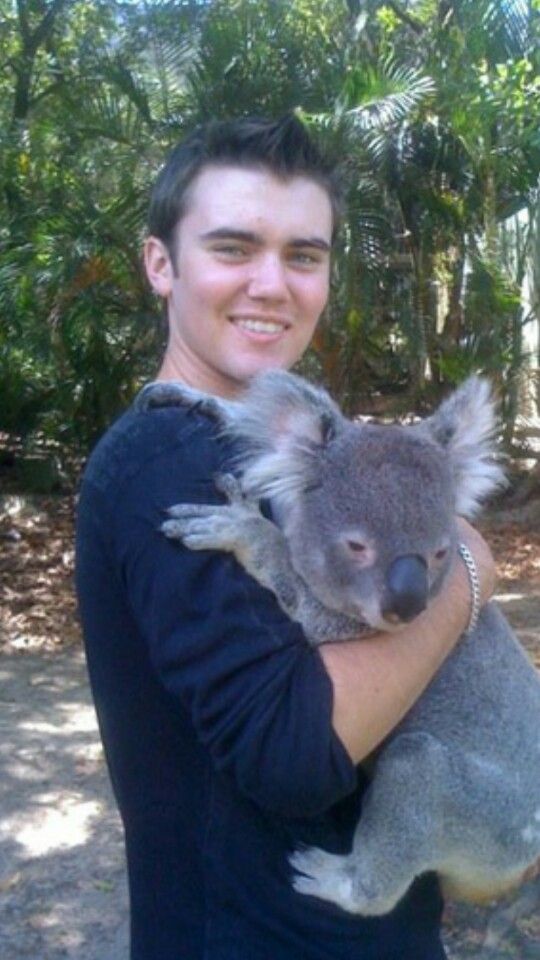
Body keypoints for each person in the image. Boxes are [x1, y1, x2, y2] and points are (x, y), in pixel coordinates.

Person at [75, 116, 495, 960]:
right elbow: (291, 754)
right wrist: (471, 573)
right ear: (161, 263)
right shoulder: (166, 452)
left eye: (304, 255)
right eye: (234, 247)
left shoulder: (290, 442)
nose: (273, 283)